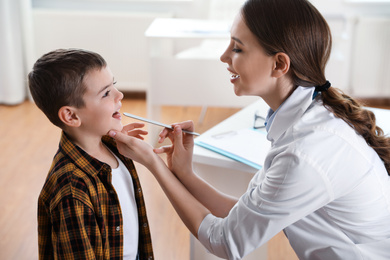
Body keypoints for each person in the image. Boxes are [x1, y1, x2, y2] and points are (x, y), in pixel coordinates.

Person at [109, 0, 390, 259]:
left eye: (237, 48)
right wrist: (184, 174)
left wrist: (152, 163)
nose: (223, 56)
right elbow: (242, 215)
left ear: (279, 64)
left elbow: (226, 240)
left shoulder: (305, 153)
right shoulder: (307, 120)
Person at [28, 49, 154, 259]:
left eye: (114, 84)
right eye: (106, 93)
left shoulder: (113, 147)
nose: (119, 95)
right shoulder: (71, 192)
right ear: (71, 115)